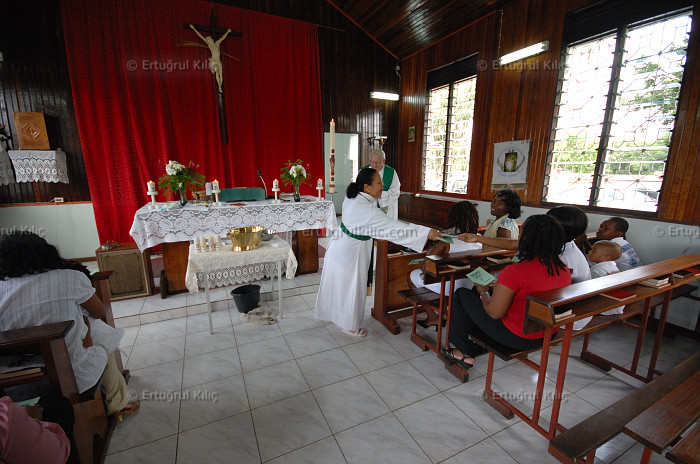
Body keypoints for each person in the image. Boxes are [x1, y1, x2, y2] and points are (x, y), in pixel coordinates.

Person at [0, 232, 139, 422]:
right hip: (73, 374)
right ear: (45, 253)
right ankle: (118, 403)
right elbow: (99, 312)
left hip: (16, 383)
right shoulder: (69, 277)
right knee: (102, 337)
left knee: (89, 332)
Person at [315, 168, 440, 336]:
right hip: (352, 252)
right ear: (366, 187)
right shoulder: (366, 210)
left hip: (342, 246)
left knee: (340, 286)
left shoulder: (354, 196)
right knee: (352, 288)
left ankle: (337, 316)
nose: (383, 186)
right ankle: (350, 325)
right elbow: (395, 229)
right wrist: (426, 233)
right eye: (379, 183)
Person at [443, 215, 571, 370]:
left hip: (515, 336)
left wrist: (484, 292)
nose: (518, 232)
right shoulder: (562, 268)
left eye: (521, 229)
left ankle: (464, 352)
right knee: (472, 294)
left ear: (526, 238)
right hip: (547, 332)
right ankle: (473, 335)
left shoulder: (515, 271)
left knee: (461, 295)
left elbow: (494, 313)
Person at [409, 201, 481, 328]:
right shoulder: (479, 239)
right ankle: (445, 311)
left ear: (452, 218)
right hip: (469, 285)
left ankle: (433, 317)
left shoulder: (447, 240)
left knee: (412, 276)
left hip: (450, 286)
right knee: (442, 276)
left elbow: (426, 265)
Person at [546, 205, 591, 329]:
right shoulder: (566, 245)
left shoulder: (565, 257)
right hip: (567, 303)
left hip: (569, 313)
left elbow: (548, 290)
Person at [0, 396, 71, 463]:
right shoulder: (6, 417)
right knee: (59, 404)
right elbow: (56, 455)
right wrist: (27, 420)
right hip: (56, 453)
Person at [190, 24, 232, 94]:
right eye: (208, 40)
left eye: (209, 39)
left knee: (220, 74)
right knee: (217, 73)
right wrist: (193, 28)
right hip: (213, 61)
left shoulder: (217, 43)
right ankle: (219, 87)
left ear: (211, 39)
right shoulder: (209, 45)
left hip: (218, 61)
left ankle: (219, 86)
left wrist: (227, 32)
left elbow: (223, 37)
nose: (208, 40)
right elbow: (200, 36)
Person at [588, 240, 625, 315]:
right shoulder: (612, 266)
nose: (589, 252)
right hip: (618, 305)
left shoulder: (597, 270)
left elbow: (588, 291)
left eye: (594, 251)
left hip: (605, 307)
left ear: (606, 258)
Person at [367, 148, 401, 220]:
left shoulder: (391, 173)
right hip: (369, 207)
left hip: (386, 208)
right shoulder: (364, 171)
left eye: (377, 163)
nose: (374, 165)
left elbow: (395, 192)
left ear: (384, 161)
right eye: (372, 162)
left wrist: (381, 195)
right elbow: (358, 190)